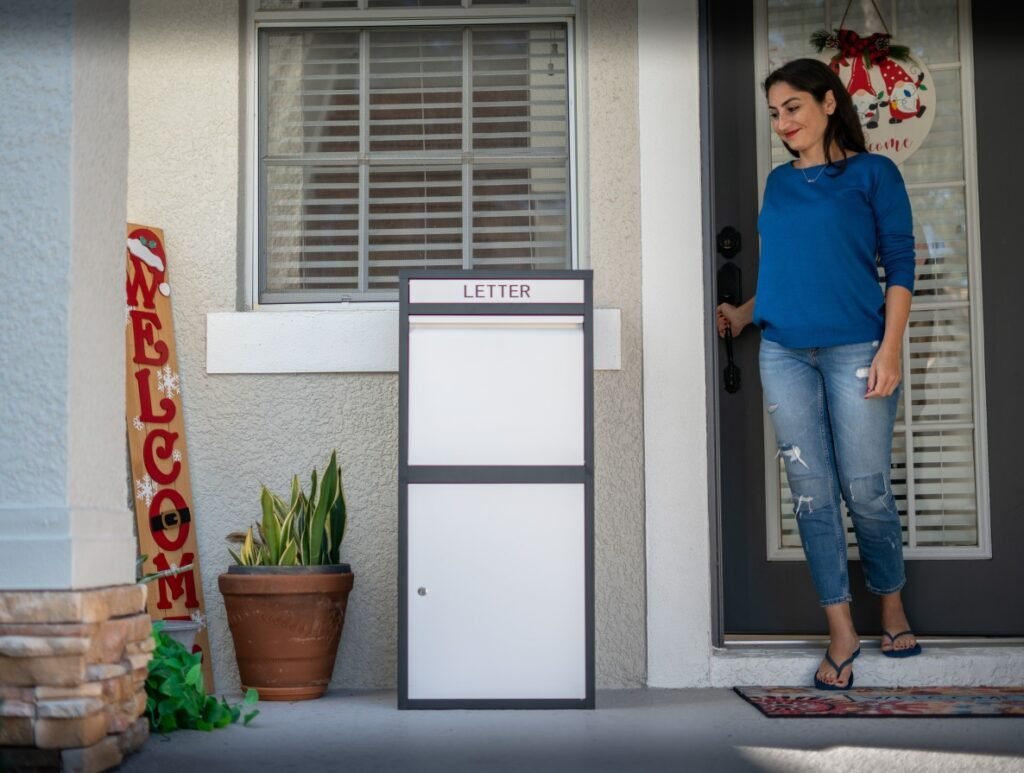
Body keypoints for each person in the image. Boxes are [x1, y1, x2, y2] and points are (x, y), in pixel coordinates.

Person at [716, 58, 922, 691]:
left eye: (793, 108)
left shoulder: (873, 173)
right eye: (775, 113)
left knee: (865, 489)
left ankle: (889, 601)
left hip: (857, 349)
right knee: (811, 494)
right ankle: (840, 627)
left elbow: (901, 265)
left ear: (830, 102)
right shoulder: (778, 184)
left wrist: (890, 350)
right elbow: (788, 267)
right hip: (783, 353)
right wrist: (746, 313)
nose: (783, 123)